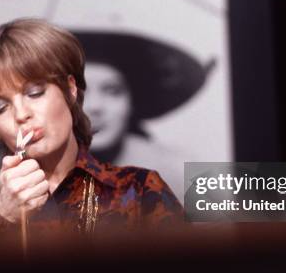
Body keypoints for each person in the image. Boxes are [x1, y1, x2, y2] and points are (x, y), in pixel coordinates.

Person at [0, 18, 184, 238]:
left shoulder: (140, 191)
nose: (21, 114)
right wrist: (3, 218)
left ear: (71, 90)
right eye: (0, 108)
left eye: (35, 93)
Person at [74, 31, 216, 203]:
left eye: (112, 91)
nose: (95, 106)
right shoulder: (38, 173)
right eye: (79, 94)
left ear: (132, 100)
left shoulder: (179, 171)